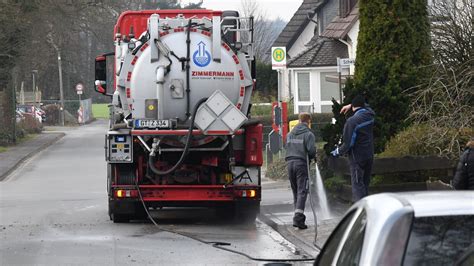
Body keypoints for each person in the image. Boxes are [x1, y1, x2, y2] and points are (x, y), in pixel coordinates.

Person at [331, 95, 375, 202]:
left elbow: (348, 144)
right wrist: (352, 105)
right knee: (365, 185)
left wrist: (336, 152)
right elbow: (367, 106)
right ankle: (367, 212)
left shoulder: (352, 121)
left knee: (357, 187)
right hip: (369, 155)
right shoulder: (370, 115)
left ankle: (361, 214)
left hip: (357, 158)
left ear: (354, 107)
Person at [285, 113, 316, 229]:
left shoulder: (289, 134)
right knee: (302, 190)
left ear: (299, 120)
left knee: (295, 191)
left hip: (289, 163)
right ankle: (298, 218)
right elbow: (311, 150)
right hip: (301, 164)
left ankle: (297, 215)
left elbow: (286, 147)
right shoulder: (309, 134)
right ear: (309, 121)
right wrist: (313, 156)